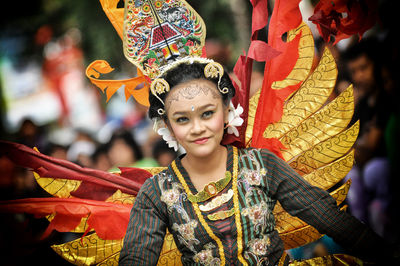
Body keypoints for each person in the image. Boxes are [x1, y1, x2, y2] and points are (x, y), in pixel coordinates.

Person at [118, 58, 397, 265]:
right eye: (182, 119)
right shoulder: (156, 193)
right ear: (167, 125)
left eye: (207, 114)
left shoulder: (261, 165)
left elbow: (329, 219)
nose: (197, 128)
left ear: (227, 112)